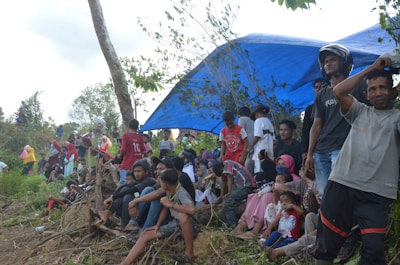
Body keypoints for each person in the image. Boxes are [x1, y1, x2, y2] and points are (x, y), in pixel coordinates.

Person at [312, 57, 400, 265]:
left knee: (374, 250)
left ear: (393, 92)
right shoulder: (359, 112)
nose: (378, 93)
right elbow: (339, 91)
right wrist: (373, 67)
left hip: (377, 193)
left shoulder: (397, 117)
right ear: (366, 95)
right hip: (343, 184)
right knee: (326, 244)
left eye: (383, 88)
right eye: (373, 89)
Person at [305, 44, 368, 199]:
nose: (328, 63)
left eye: (333, 59)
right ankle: (326, 223)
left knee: (339, 194)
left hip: (344, 149)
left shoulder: (357, 86)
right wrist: (310, 154)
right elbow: (316, 125)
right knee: (324, 196)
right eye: (326, 61)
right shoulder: (322, 95)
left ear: (345, 62)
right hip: (321, 152)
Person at [119, 169, 199, 265]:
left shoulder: (181, 192)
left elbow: (192, 210)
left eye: (160, 181)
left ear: (165, 184)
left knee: (183, 216)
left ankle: (189, 254)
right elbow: (165, 209)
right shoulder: (169, 191)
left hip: (189, 226)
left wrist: (171, 204)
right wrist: (157, 225)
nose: (159, 183)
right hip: (174, 225)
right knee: (145, 235)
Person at [92, 160, 156, 229]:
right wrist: (112, 197)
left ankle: (123, 224)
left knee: (127, 196)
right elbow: (125, 186)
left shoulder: (149, 181)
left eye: (139, 171)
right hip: (136, 208)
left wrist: (113, 197)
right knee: (125, 192)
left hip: (145, 211)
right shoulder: (138, 181)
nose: (136, 174)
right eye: (135, 171)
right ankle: (108, 214)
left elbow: (133, 190)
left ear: (146, 172)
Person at [211, 160, 256, 227]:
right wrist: (222, 196)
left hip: (246, 185)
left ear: (221, 169)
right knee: (225, 201)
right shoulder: (228, 164)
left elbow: (229, 178)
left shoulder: (227, 164)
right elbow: (225, 181)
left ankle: (233, 225)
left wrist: (229, 192)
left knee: (228, 202)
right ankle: (227, 224)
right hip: (243, 186)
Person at [247, 105, 275, 173]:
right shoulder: (270, 123)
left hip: (260, 151)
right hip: (270, 152)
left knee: (259, 172)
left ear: (257, 114)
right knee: (268, 171)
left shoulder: (258, 121)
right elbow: (274, 140)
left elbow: (257, 136)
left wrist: (251, 147)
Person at [301, 78, 323, 160]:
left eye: (322, 86)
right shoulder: (310, 109)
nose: (319, 89)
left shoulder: (334, 105)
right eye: (316, 87)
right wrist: (304, 152)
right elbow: (306, 131)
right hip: (315, 149)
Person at [119, 119, 147, 186]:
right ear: (137, 128)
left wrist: (120, 157)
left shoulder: (125, 136)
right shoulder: (139, 137)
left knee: (124, 183)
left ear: (128, 126)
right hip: (137, 165)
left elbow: (122, 149)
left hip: (127, 164)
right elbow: (144, 151)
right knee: (136, 184)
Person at [238, 106, 255, 174]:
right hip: (254, 149)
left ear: (239, 114)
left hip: (247, 150)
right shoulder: (253, 122)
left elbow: (241, 134)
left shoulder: (242, 119)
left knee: (246, 173)